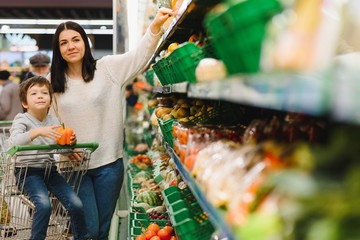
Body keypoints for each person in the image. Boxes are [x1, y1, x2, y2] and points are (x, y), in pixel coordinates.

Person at [49, 7, 176, 239]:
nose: (71, 46)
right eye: (64, 43)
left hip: (108, 164)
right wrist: (62, 144)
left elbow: (138, 56)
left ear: (85, 42)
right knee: (87, 230)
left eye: (76, 40)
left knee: (103, 228)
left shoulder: (107, 69)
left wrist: (155, 27)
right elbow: (48, 122)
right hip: (72, 168)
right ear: (58, 50)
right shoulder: (52, 83)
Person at [8, 76, 91, 240]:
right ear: (25, 103)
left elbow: (63, 151)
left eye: (44, 93)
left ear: (50, 101)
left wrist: (70, 144)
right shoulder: (22, 119)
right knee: (44, 205)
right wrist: (37, 132)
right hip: (28, 172)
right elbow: (12, 143)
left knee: (76, 204)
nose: (40, 96)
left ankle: (82, 237)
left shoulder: (54, 121)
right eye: (34, 93)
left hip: (50, 171)